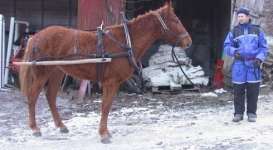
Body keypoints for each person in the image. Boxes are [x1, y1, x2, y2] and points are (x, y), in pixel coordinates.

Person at [223, 7, 268, 122]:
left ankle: (252, 113)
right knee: (238, 90)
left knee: (253, 90)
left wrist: (259, 59)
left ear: (248, 17)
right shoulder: (234, 31)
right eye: (238, 16)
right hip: (239, 65)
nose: (240, 18)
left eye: (242, 16)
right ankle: (238, 113)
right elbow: (226, 46)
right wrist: (234, 52)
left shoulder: (257, 31)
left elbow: (263, 47)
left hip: (254, 65)